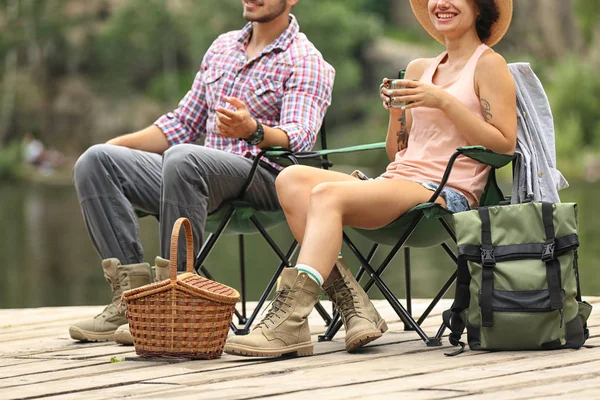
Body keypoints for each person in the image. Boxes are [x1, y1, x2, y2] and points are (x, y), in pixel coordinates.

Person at [224, 0, 517, 358]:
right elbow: (398, 153)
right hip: (399, 181)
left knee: (327, 195)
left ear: (478, 8)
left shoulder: (489, 64)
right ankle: (354, 307)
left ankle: (290, 323)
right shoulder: (419, 68)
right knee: (292, 178)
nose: (441, 3)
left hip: (443, 195)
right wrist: (398, 111)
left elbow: (504, 145)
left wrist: (443, 101)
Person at [68, 0, 336, 344]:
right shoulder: (223, 47)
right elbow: (181, 124)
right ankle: (130, 302)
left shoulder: (306, 59)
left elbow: (299, 138)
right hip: (193, 172)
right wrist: (116, 145)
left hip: (266, 177)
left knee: (183, 159)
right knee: (95, 160)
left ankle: (173, 300)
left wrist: (252, 130)